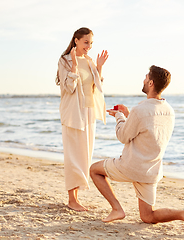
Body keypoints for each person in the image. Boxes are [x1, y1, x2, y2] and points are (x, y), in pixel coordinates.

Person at [90, 65, 184, 235]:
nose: (143, 80)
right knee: (147, 216)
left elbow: (123, 136)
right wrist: (129, 115)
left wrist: (120, 116)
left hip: (131, 166)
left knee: (94, 170)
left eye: (145, 77)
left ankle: (117, 209)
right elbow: (149, 131)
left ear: (151, 83)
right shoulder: (169, 111)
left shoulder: (140, 110)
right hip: (151, 170)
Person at [56, 27, 109, 211]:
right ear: (76, 40)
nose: (89, 46)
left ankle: (76, 198)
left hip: (89, 112)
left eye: (91, 43)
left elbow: (96, 86)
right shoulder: (64, 60)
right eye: (86, 42)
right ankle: (72, 199)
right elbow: (68, 88)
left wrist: (99, 67)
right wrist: (73, 67)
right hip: (73, 113)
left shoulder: (89, 60)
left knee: (84, 155)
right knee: (73, 156)